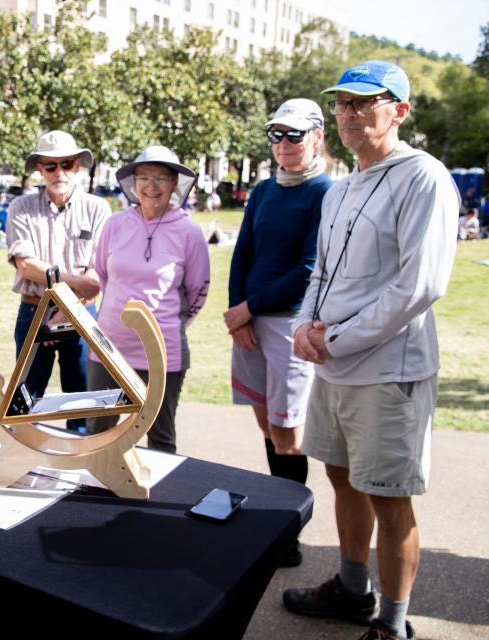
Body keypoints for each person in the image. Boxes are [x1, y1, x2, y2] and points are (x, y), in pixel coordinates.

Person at [283, 61, 459, 640]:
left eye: (364, 102)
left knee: (390, 498)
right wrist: (307, 327)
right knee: (342, 478)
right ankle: (353, 590)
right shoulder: (341, 187)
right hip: (332, 369)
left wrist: (333, 338)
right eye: (341, 103)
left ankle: (393, 623)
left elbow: (419, 286)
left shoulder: (424, 177)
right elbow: (322, 274)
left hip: (387, 369)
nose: (349, 113)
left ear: (400, 110)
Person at [225, 98, 332, 568]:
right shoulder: (266, 190)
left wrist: (250, 307)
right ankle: (275, 520)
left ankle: (289, 532)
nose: (284, 144)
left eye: (294, 135)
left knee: (288, 433)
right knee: (266, 425)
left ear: (316, 137)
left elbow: (309, 268)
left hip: (289, 322)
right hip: (251, 321)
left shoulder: (326, 191)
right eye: (277, 135)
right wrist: (238, 312)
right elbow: (243, 252)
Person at [86, 146, 209, 452]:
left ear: (174, 184)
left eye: (160, 179)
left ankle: (154, 498)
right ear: (133, 183)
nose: (151, 186)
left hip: (163, 352)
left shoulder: (189, 232)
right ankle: (92, 496)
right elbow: (103, 275)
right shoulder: (115, 225)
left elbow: (197, 292)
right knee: (97, 433)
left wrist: (167, 327)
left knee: (160, 438)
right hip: (108, 348)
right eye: (144, 177)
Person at [5, 130, 110, 431]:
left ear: (78, 165)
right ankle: (20, 466)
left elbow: (98, 273)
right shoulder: (20, 207)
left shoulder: (97, 208)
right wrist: (59, 304)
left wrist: (65, 308)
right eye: (50, 165)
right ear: (39, 168)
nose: (58, 172)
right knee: (25, 403)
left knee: (82, 401)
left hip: (83, 313)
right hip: (34, 310)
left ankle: (77, 469)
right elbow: (26, 266)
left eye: (65, 163)